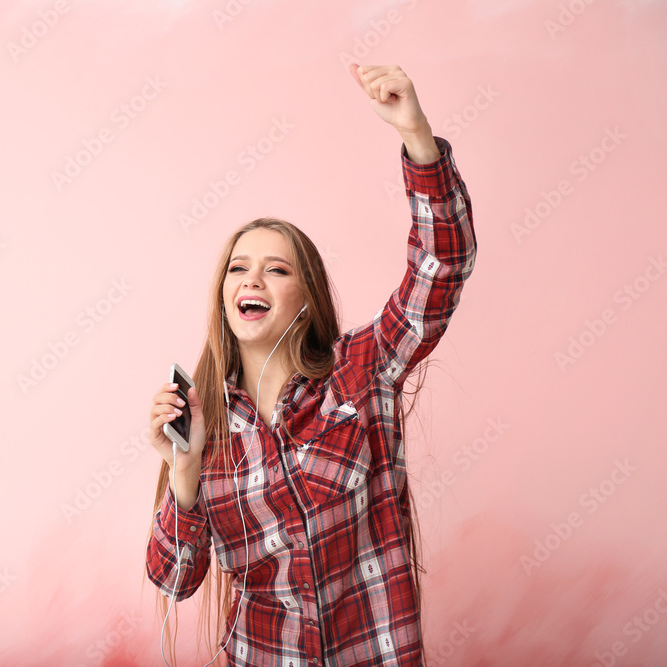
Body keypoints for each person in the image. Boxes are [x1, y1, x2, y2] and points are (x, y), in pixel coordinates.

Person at [144, 63, 477, 666]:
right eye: (238, 268)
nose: (253, 278)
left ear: (307, 296)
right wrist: (185, 469)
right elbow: (172, 580)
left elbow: (442, 265)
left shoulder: (361, 370)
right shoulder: (205, 420)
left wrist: (416, 137)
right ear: (224, 294)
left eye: (277, 268)